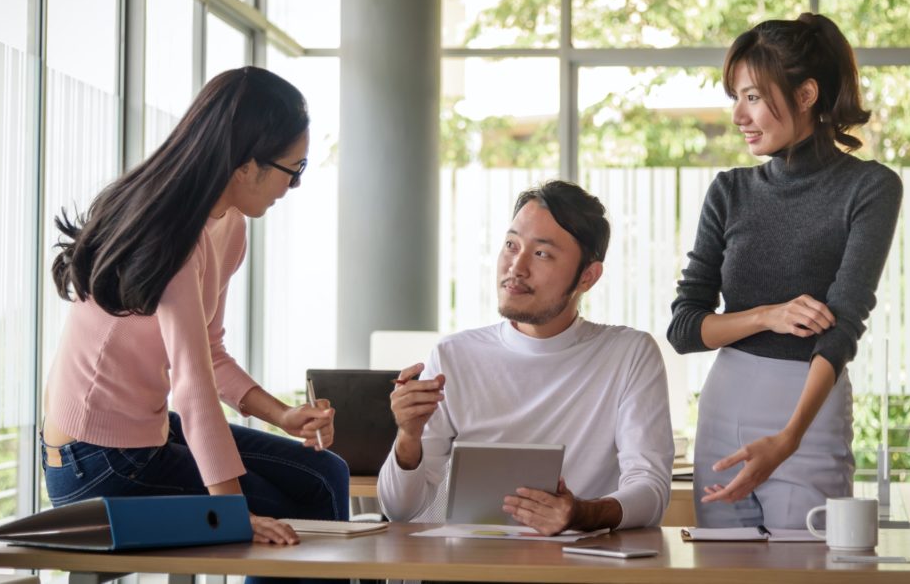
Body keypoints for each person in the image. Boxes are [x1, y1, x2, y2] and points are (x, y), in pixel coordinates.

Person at [42, 67, 350, 548]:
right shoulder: (172, 237)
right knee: (287, 508)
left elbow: (208, 349)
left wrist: (282, 414)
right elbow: (192, 387)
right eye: (294, 171)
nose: (293, 188)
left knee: (324, 472)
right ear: (247, 165)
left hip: (149, 433)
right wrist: (230, 512)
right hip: (96, 461)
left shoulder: (228, 225)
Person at [667, 13, 903, 529]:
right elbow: (685, 327)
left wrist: (789, 437)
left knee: (805, 570)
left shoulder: (870, 189)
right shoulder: (729, 191)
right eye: (736, 97)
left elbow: (844, 324)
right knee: (722, 572)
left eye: (752, 96)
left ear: (806, 95)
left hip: (807, 417)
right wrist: (767, 316)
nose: (737, 115)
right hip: (724, 407)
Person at [378, 180, 673, 536]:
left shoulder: (629, 354)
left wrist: (580, 513)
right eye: (511, 245)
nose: (516, 267)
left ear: (588, 277)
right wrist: (408, 437)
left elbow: (651, 489)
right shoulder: (453, 356)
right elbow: (399, 510)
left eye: (542, 254)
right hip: (470, 567)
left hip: (580, 566)